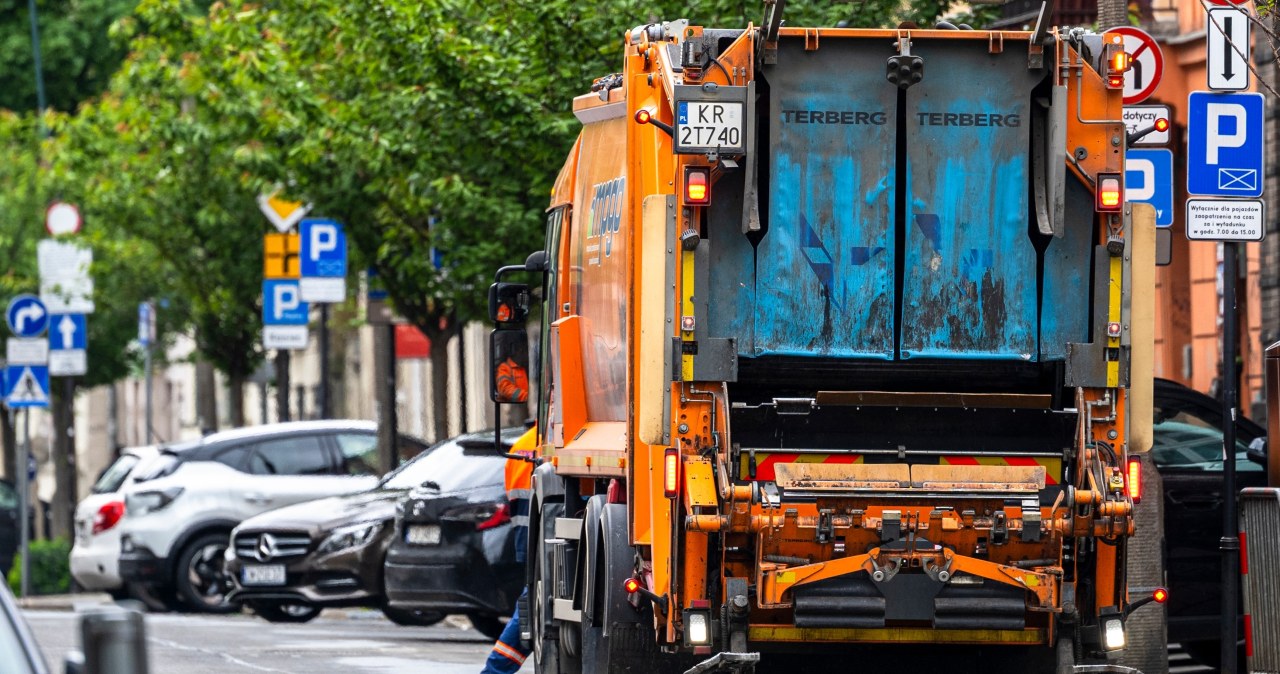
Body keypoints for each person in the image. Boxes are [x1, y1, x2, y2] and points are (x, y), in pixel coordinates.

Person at [481, 424, 538, 674]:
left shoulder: (522, 445)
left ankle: (495, 671)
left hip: (529, 538)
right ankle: (494, 671)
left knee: (534, 602)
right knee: (532, 605)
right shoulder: (553, 443)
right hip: (547, 535)